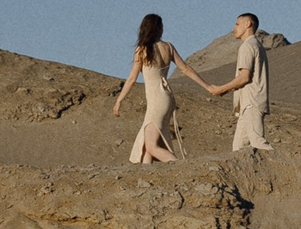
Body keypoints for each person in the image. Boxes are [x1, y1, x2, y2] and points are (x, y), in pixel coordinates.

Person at [111, 12, 212, 164]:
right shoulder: (168, 47)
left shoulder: (142, 49)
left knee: (151, 146)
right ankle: (146, 178)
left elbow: (132, 79)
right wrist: (207, 86)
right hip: (167, 97)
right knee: (147, 146)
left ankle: (182, 167)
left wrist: (119, 100)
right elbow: (186, 69)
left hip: (157, 100)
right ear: (158, 29)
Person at [203, 11, 272, 152]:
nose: (234, 29)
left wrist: (221, 89)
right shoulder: (255, 45)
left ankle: (282, 167)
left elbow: (244, 77)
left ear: (248, 24)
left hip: (251, 103)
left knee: (258, 142)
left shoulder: (248, 46)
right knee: (239, 148)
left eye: (237, 24)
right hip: (246, 104)